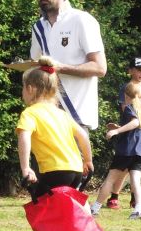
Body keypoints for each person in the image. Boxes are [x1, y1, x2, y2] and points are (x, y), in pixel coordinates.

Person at [30, 0, 106, 130]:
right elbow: (35, 66)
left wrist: (61, 68)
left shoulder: (82, 20)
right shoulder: (38, 27)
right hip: (46, 116)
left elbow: (100, 68)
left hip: (75, 118)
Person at [16, 57, 93, 198]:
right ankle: (86, 220)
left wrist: (26, 168)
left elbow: (24, 137)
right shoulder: (62, 114)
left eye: (23, 88)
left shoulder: (30, 113)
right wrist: (88, 161)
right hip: (75, 169)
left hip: (54, 170)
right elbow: (83, 135)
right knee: (69, 207)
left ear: (30, 89)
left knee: (43, 208)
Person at [106, 57, 141, 209]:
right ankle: (114, 197)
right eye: (138, 69)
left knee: (136, 170)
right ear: (130, 71)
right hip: (129, 134)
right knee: (122, 169)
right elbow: (127, 111)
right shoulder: (126, 87)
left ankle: (134, 199)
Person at [90, 82, 141, 220]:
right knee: (136, 181)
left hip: (126, 151)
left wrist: (116, 130)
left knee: (110, 180)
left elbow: (134, 123)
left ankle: (95, 207)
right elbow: (135, 128)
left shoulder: (129, 107)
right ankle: (139, 209)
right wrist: (119, 127)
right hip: (140, 152)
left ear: (125, 95)